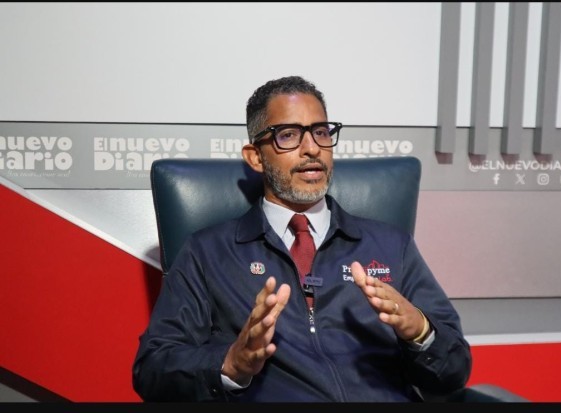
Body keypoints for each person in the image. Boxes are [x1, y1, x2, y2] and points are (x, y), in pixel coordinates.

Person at [132, 75, 472, 402]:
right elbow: (153, 369)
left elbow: (454, 371)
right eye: (288, 135)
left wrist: (421, 332)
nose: (312, 149)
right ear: (255, 157)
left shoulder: (391, 245)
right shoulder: (208, 253)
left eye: (321, 132)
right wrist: (231, 363)